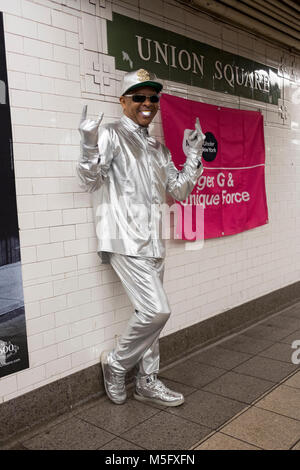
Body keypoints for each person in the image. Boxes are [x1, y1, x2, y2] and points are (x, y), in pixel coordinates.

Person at [77, 69, 205, 407]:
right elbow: (90, 181)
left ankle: (147, 381)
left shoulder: (158, 148)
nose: (147, 103)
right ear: (123, 101)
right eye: (139, 96)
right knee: (157, 310)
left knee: (148, 315)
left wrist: (193, 155)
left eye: (152, 98)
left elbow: (177, 191)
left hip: (153, 242)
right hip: (123, 239)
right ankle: (117, 363)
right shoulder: (111, 135)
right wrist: (89, 144)